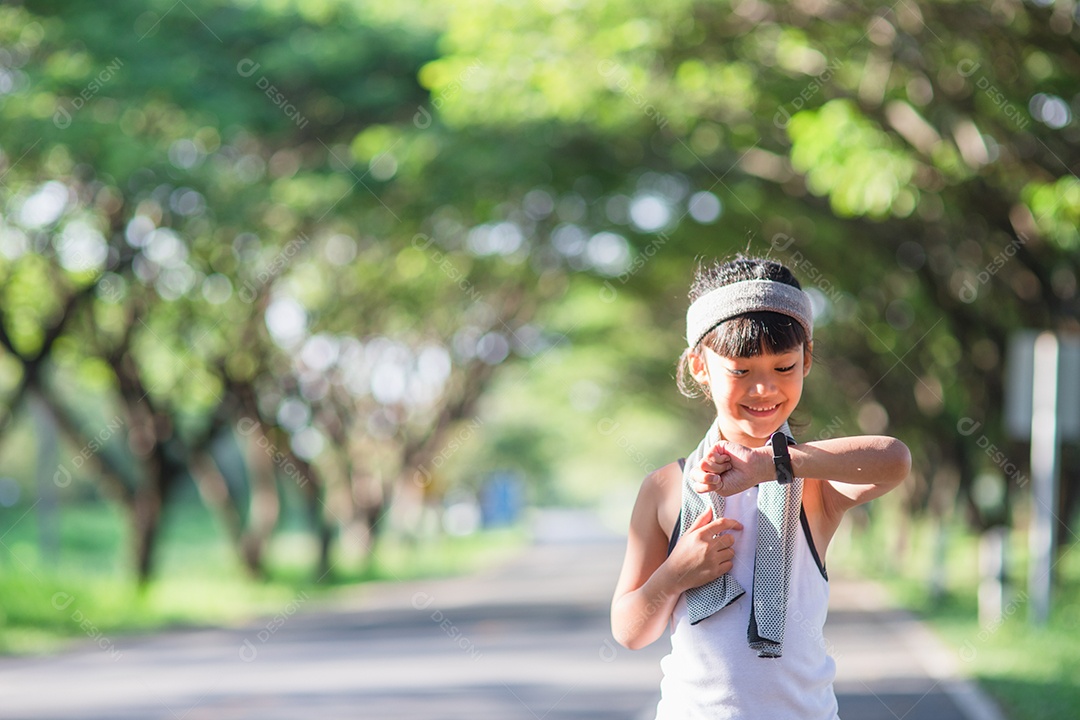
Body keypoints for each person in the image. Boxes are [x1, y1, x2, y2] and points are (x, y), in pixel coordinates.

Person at [610, 256, 911, 720]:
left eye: (784, 366)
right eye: (741, 371)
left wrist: (774, 465)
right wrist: (676, 572)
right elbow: (629, 631)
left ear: (807, 360)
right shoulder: (665, 487)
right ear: (699, 367)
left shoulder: (812, 479)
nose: (764, 389)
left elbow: (893, 460)